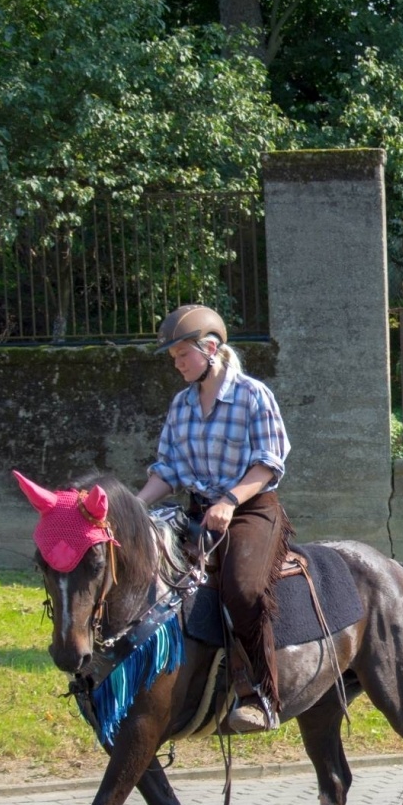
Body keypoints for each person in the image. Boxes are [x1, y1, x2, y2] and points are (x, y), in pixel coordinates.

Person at [136, 304, 290, 734]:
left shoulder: (253, 395)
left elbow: (268, 464)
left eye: (182, 354)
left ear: (211, 349)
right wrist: (134, 506)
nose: (177, 364)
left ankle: (258, 691)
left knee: (242, 588)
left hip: (252, 509)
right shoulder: (181, 405)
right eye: (173, 358)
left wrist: (229, 500)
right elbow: (167, 470)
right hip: (200, 511)